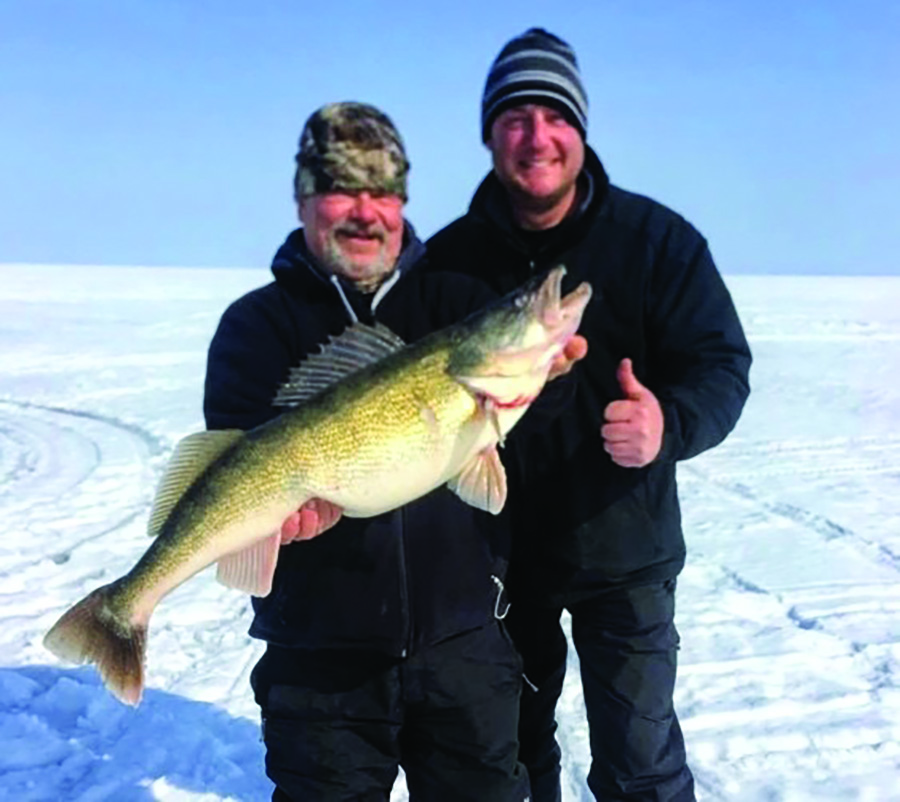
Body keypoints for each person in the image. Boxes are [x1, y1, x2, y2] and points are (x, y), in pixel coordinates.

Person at [425, 28, 752, 802]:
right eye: (513, 117)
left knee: (640, 765)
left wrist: (667, 425)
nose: (536, 136)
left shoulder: (657, 243)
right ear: (489, 136)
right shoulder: (443, 264)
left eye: (554, 116)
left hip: (625, 558)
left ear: (581, 129)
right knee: (511, 753)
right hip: (500, 559)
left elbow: (722, 367)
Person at [203, 102, 532, 801]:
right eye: (340, 189)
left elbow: (529, 433)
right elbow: (236, 470)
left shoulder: (457, 302)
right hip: (320, 668)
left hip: (465, 653)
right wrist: (275, 524)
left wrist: (553, 379)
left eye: (382, 192)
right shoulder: (255, 327)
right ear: (303, 199)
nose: (364, 211)